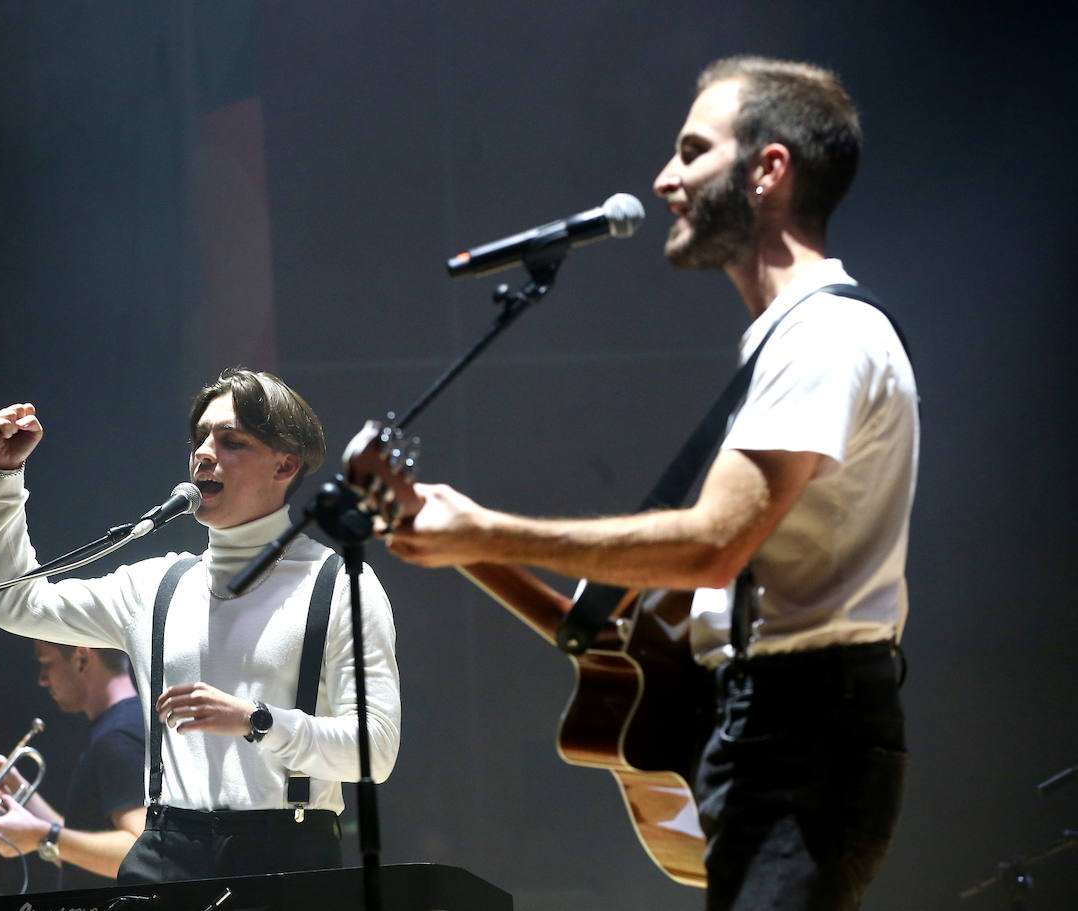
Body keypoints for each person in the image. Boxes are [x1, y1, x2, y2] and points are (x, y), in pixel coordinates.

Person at [383, 56, 917, 911]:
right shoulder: (788, 340)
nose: (665, 178)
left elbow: (711, 545)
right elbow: (670, 603)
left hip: (805, 728)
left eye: (693, 151)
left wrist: (483, 533)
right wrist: (466, 541)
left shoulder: (824, 338)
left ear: (769, 170)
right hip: (770, 722)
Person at [0, 368, 401, 885]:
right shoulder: (155, 586)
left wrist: (257, 720)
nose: (203, 452)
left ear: (286, 464)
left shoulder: (339, 584)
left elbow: (376, 751)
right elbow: (14, 605)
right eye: (199, 437)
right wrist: (4, 479)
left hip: (285, 860)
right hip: (165, 852)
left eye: (231, 441)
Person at [0, 640, 146, 889]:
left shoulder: (118, 736)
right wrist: (21, 791)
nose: (42, 679)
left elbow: (139, 854)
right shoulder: (124, 725)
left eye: (46, 663)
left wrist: (42, 836)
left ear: (82, 658)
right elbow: (86, 852)